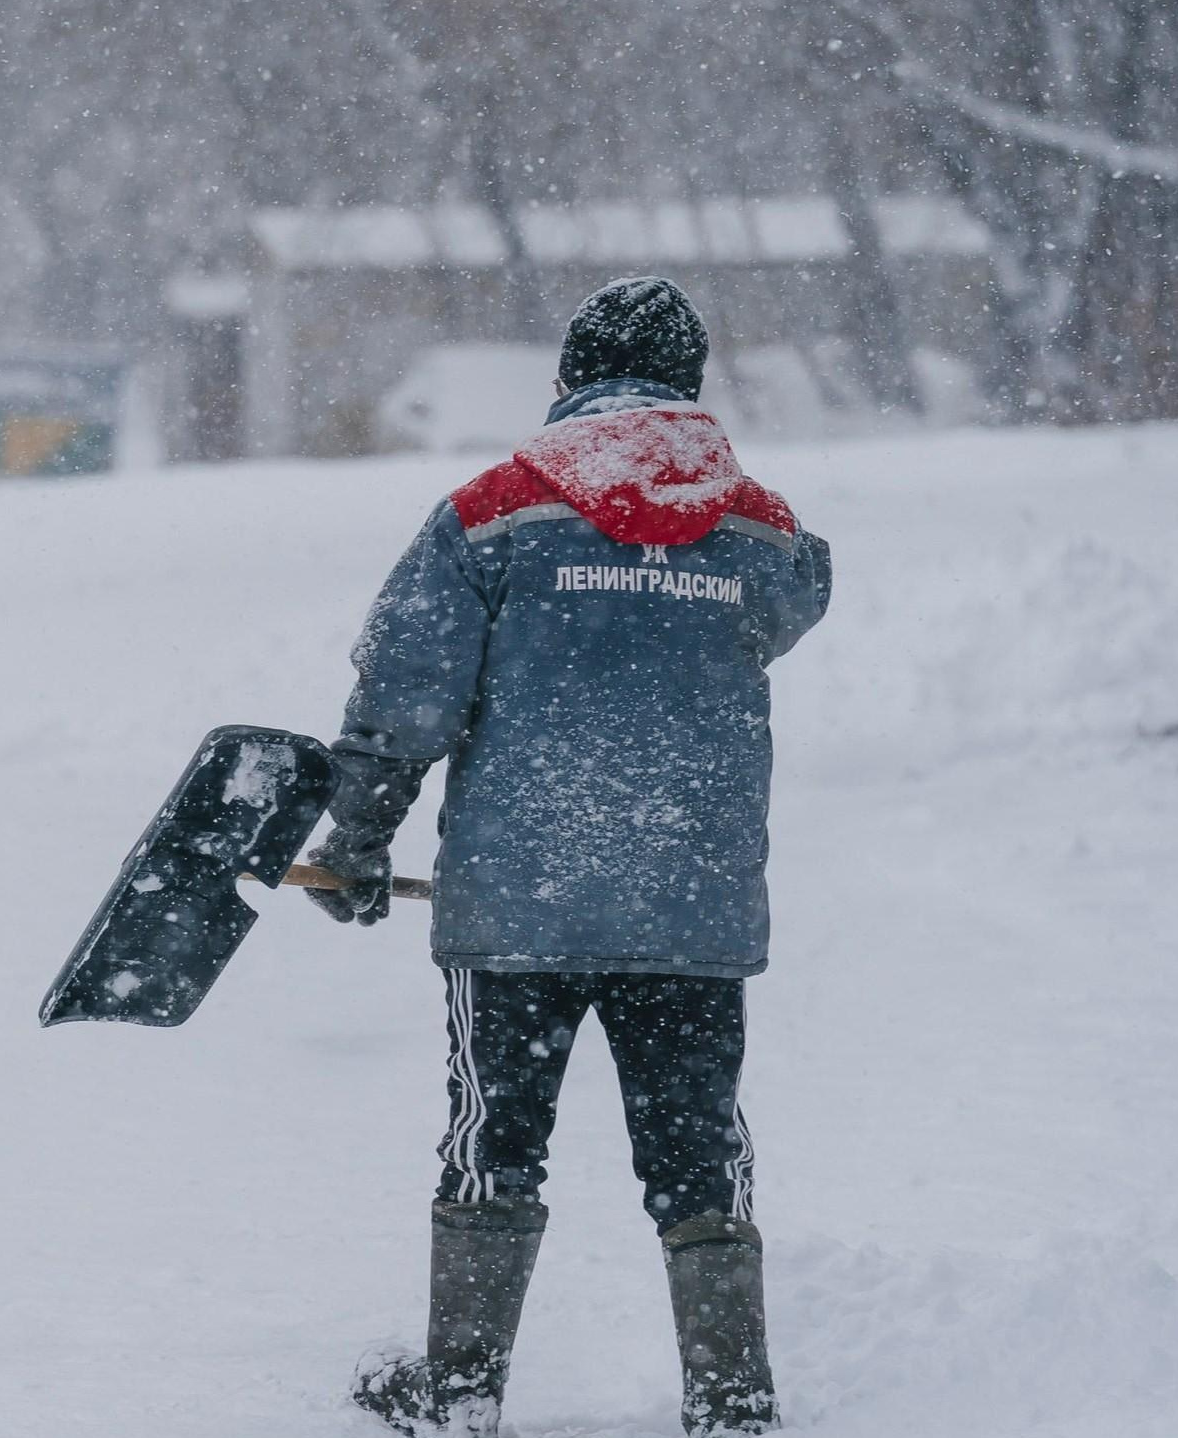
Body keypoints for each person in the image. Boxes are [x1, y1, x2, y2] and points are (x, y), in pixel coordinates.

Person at [307, 277, 831, 1437]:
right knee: (700, 1153)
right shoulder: (760, 528)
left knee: (492, 1140)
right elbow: (805, 591)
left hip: (518, 907)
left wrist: (356, 839)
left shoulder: (489, 513)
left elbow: (405, 693)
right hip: (687, 910)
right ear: (692, 388)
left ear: (568, 380)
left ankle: (458, 1397)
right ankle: (733, 1402)